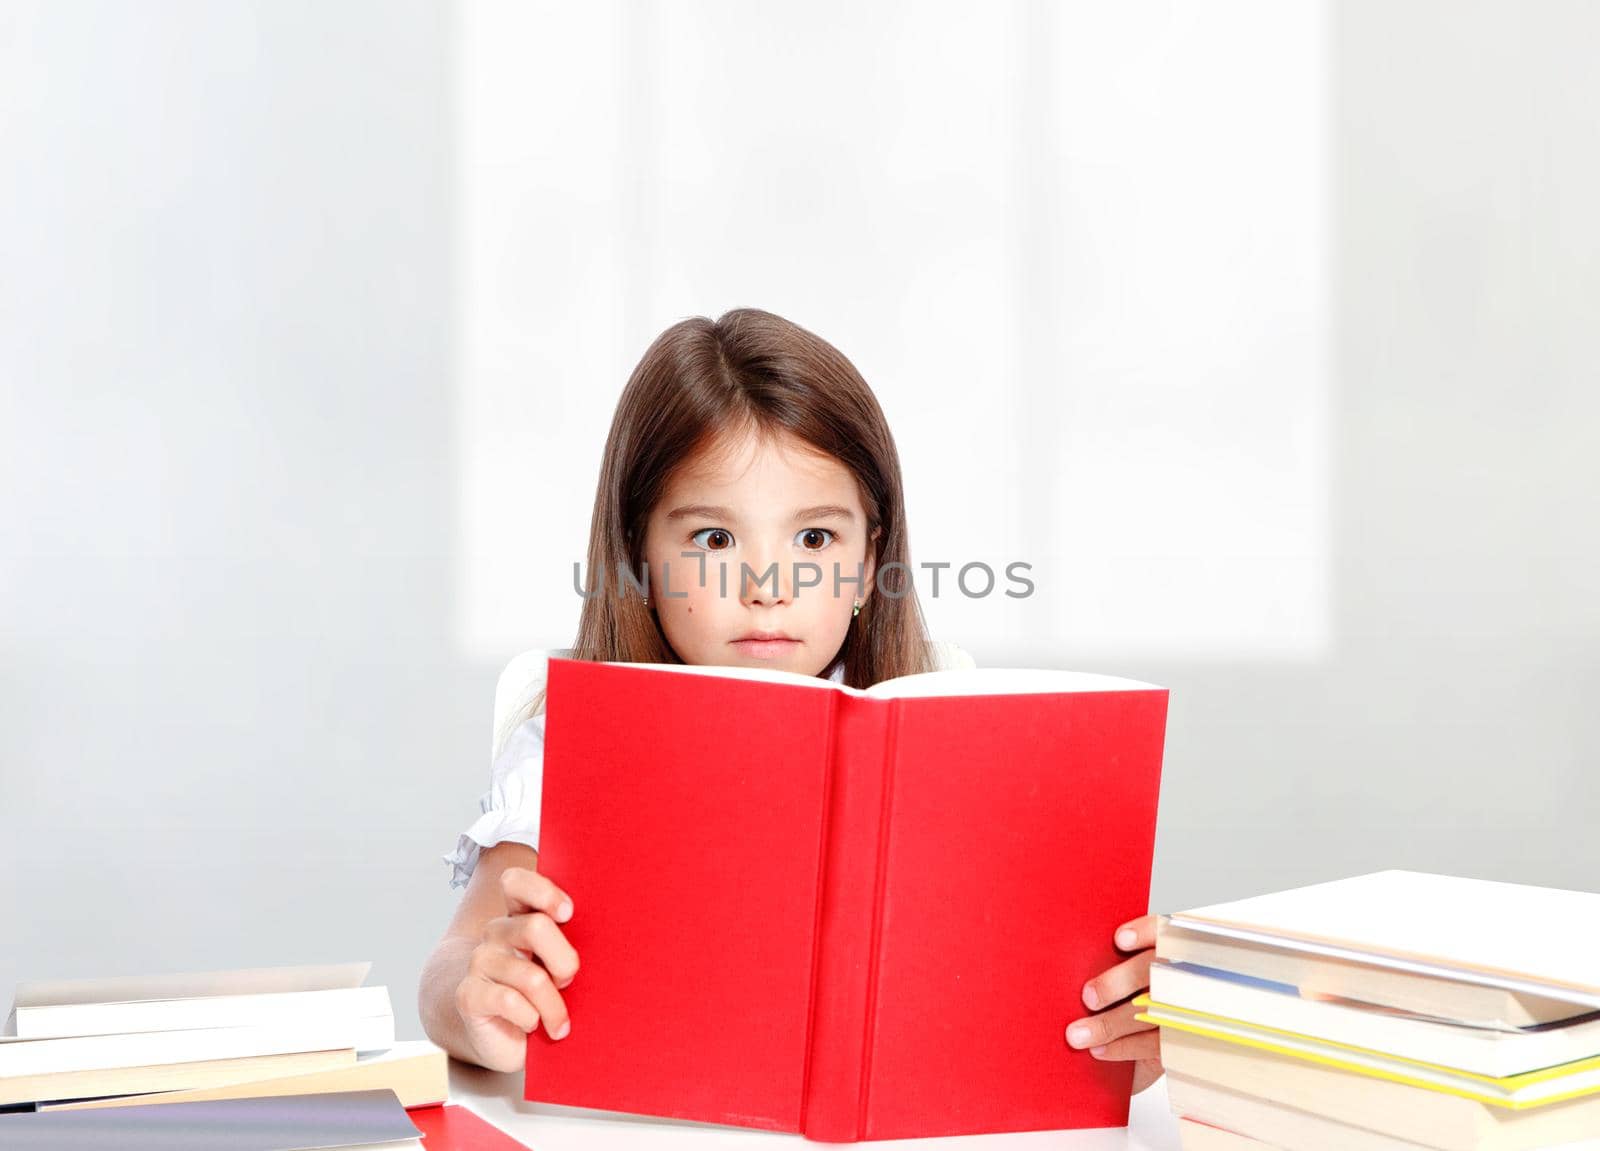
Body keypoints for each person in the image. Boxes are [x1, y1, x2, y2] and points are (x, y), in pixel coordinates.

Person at [417, 308, 1162, 1093]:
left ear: (872, 559)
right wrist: (476, 1004)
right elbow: (451, 966)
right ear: (640, 554)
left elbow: (1033, 997)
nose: (766, 588)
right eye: (713, 539)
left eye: (813, 540)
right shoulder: (570, 736)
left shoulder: (947, 723)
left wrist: (1124, 1025)